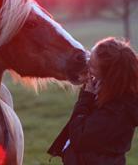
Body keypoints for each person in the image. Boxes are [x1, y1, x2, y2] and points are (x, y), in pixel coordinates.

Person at [47, 37, 138, 165]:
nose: (87, 64)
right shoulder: (109, 90)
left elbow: (78, 137)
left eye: (92, 66)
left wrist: (86, 96)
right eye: (90, 55)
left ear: (108, 76)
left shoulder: (117, 111)